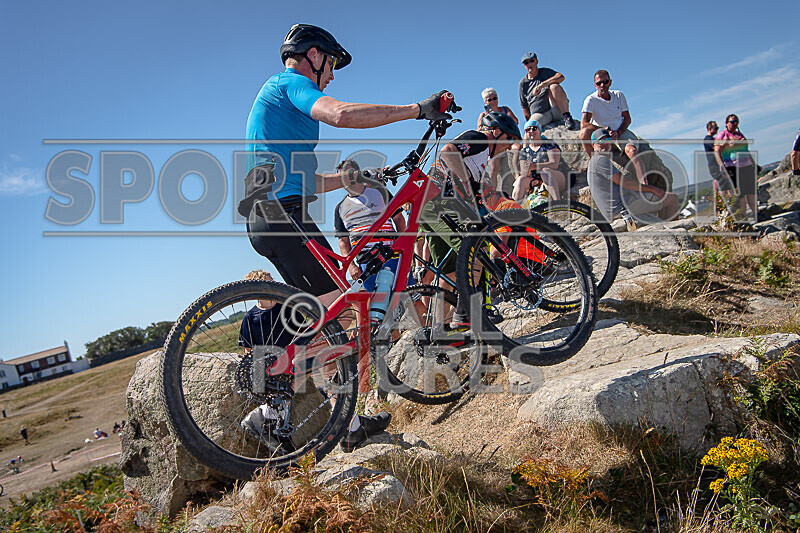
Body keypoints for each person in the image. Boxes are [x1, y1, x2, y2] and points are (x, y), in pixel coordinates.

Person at [240, 24, 453, 311]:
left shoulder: (280, 104)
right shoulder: (290, 83)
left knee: (327, 318)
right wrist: (417, 109)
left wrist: (354, 177)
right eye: (332, 63)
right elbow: (340, 115)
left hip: (267, 218)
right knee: (342, 309)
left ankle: (306, 354)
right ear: (313, 56)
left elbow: (307, 181)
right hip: (281, 214)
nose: (332, 74)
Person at [421, 111, 522, 333]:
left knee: (448, 273)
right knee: (475, 251)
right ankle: (463, 315)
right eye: (508, 140)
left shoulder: (481, 159)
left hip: (428, 207)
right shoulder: (480, 139)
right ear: (496, 132)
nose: (508, 147)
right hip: (442, 204)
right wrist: (466, 186)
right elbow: (448, 151)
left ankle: (440, 329)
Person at [333, 160, 413, 291]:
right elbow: (343, 241)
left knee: (411, 297)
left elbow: (399, 219)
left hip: (392, 256)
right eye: (341, 177)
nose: (345, 179)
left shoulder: (380, 192)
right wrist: (351, 266)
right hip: (366, 262)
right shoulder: (340, 208)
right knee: (377, 304)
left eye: (349, 174)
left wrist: (402, 245)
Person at [587, 128, 678, 224]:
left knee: (657, 199)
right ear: (593, 145)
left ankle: (664, 225)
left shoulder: (596, 161)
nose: (605, 143)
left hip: (620, 206)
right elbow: (624, 182)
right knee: (672, 199)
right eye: (600, 141)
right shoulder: (600, 160)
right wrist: (653, 189)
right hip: (621, 209)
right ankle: (673, 229)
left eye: (607, 140)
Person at [580, 70, 647, 184]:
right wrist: (604, 130)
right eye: (599, 83)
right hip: (603, 134)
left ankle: (645, 185)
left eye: (605, 82)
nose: (602, 85)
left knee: (632, 151)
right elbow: (584, 124)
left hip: (620, 131)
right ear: (595, 85)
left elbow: (627, 118)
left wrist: (619, 132)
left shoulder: (618, 96)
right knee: (583, 134)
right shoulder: (591, 100)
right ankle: (595, 164)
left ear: (610, 82)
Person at [511, 119, 567, 202]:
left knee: (545, 172)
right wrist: (528, 170)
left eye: (534, 128)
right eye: (528, 130)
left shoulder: (549, 145)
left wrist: (534, 166)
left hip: (555, 178)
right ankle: (514, 209)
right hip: (535, 181)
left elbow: (554, 164)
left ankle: (557, 202)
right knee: (520, 180)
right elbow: (524, 172)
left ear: (539, 130)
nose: (531, 131)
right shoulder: (524, 151)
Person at [714, 114, 758, 219]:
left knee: (750, 191)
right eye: (732, 121)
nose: (734, 124)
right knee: (740, 193)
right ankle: (743, 216)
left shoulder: (739, 134)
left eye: (736, 121)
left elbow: (746, 151)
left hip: (746, 165)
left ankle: (757, 213)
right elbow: (717, 151)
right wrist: (722, 166)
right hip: (733, 166)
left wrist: (754, 164)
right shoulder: (722, 135)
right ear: (726, 123)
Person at [518, 52, 577, 130]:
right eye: (526, 62)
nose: (529, 64)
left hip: (556, 110)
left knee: (554, 86)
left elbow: (560, 77)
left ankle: (567, 117)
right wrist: (530, 120)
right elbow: (524, 107)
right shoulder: (523, 84)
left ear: (536, 61)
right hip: (541, 114)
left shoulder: (545, 72)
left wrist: (542, 85)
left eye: (532, 61)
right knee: (530, 126)